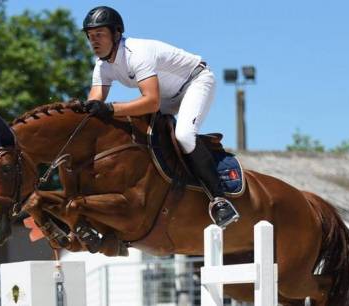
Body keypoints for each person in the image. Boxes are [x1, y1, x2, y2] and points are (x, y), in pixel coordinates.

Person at [81, 6, 239, 228]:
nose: (94, 41)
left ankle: (220, 199)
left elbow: (151, 101)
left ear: (116, 34)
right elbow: (94, 104)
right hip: (167, 95)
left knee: (183, 135)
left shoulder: (136, 54)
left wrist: (110, 108)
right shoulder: (102, 67)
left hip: (195, 82)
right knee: (141, 132)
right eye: (90, 36)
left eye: (99, 35)